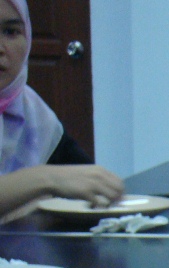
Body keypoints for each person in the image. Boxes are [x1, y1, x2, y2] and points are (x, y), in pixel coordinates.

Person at [0, 0, 123, 218]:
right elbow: (57, 178)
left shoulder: (32, 112)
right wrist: (45, 179)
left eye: (11, 32)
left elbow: (85, 180)